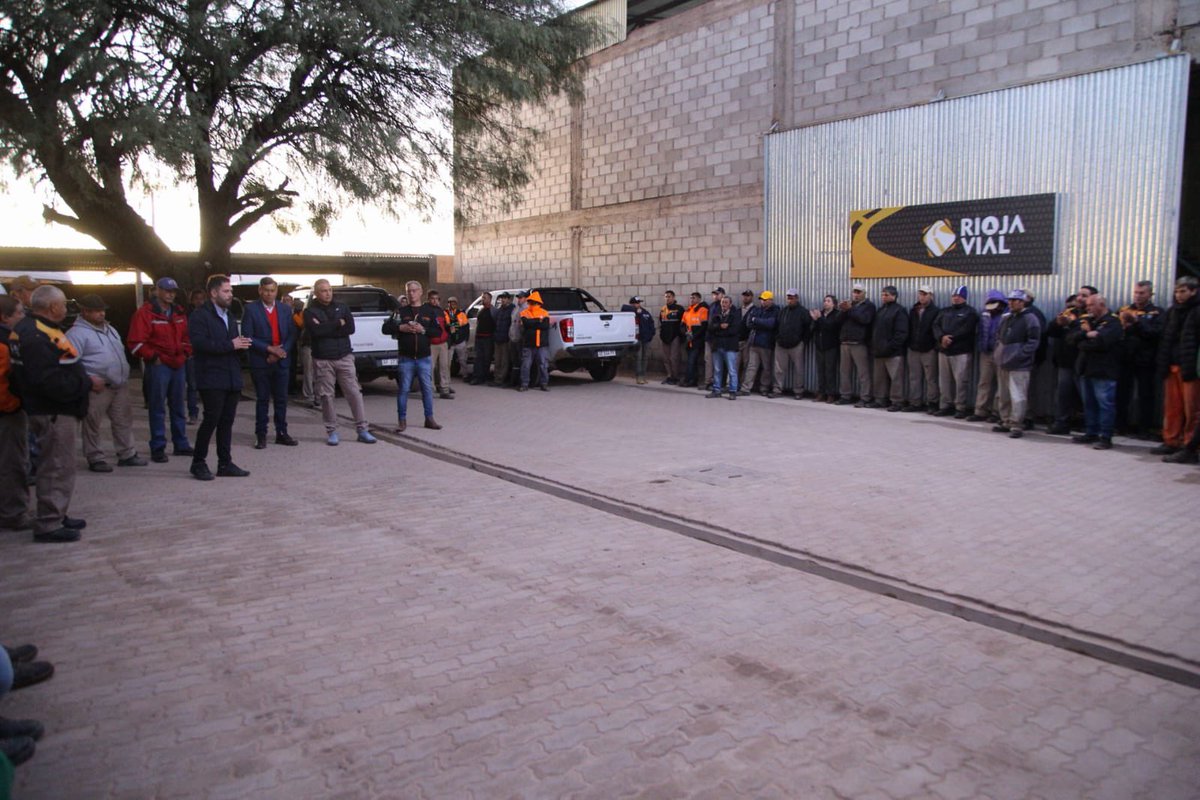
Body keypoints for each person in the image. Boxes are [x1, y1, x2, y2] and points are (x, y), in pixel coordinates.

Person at [8, 285, 96, 542]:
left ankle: (57, 512)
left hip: (51, 408)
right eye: (64, 304)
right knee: (56, 466)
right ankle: (49, 522)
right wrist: (84, 384)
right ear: (53, 307)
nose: (66, 309)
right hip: (53, 410)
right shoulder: (36, 334)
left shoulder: (31, 329)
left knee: (57, 464)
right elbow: (45, 379)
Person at [65, 295, 147, 472]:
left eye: (102, 310)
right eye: (96, 311)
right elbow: (70, 363)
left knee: (123, 420)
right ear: (85, 312)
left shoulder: (110, 329)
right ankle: (95, 457)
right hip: (96, 387)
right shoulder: (75, 334)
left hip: (118, 384)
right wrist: (88, 380)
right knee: (92, 423)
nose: (101, 313)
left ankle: (127, 453)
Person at [187, 275, 252, 480]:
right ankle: (198, 462)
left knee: (227, 422)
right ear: (214, 293)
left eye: (231, 291)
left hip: (231, 376)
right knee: (211, 420)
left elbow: (232, 343)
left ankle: (225, 463)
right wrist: (230, 345)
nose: (230, 295)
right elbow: (200, 344)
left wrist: (240, 346)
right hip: (211, 376)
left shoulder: (229, 315)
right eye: (226, 291)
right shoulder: (200, 316)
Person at [127, 277, 194, 463]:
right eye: (166, 290)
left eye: (173, 291)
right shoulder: (145, 313)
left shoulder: (179, 312)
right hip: (159, 366)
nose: (170, 294)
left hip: (178, 364)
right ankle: (158, 446)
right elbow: (135, 342)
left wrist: (185, 354)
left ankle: (181, 444)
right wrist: (153, 357)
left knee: (178, 406)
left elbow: (187, 338)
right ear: (157, 290)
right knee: (157, 407)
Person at [304, 279, 377, 446]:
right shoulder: (310, 311)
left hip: (344, 357)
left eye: (329, 290)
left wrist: (326, 327)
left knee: (354, 393)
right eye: (323, 291)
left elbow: (350, 328)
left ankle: (362, 430)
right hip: (323, 359)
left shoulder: (342, 307)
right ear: (316, 293)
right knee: (326, 396)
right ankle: (332, 431)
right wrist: (337, 323)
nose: (328, 293)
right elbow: (316, 332)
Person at [240, 277, 299, 449]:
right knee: (263, 399)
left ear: (276, 291)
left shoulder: (285, 309)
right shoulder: (250, 309)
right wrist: (269, 350)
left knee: (281, 399)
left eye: (272, 291)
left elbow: (292, 334)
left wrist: (281, 352)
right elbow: (247, 336)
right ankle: (261, 435)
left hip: (281, 360)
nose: (269, 294)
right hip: (261, 360)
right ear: (260, 291)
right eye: (266, 290)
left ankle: (282, 432)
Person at [382, 280, 442, 431]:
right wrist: (400, 327)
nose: (411, 293)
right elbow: (385, 328)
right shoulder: (400, 311)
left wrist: (423, 330)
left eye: (414, 290)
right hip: (406, 358)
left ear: (421, 292)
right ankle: (402, 420)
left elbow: (438, 331)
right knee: (403, 390)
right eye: (409, 291)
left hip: (424, 358)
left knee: (427, 390)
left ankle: (429, 418)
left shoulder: (429, 311)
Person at [1068, 294, 1124, 450]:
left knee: (1105, 404)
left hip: (1104, 370)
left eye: (1091, 305)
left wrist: (1083, 343)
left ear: (1101, 304)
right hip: (1086, 369)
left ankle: (1105, 436)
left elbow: (1102, 343)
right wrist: (1086, 335)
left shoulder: (1113, 322)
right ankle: (1091, 432)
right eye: (1087, 306)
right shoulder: (1088, 321)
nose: (1088, 308)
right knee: (1089, 404)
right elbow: (1071, 339)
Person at [1152, 276, 1200, 457]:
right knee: (1172, 408)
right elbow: (1165, 339)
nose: (1179, 295)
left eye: (1183, 291)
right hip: (1171, 365)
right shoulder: (1172, 311)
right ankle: (1171, 441)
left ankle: (1190, 446)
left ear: (1193, 291)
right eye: (1177, 291)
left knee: (1192, 410)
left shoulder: (1197, 311)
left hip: (1190, 368)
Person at [1116, 281, 1164, 437]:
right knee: (1122, 393)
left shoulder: (1157, 312)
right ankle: (1120, 426)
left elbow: (1155, 333)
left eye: (1142, 293)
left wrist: (1137, 322)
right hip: (1126, 358)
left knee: (1145, 394)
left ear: (1150, 294)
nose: (1138, 296)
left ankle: (1145, 428)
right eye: (1136, 292)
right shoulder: (1124, 310)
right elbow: (1114, 331)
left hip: (1146, 360)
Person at [0, 296, 31, 533]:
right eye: (19, 313)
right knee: (12, 464)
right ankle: (13, 513)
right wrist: (14, 405)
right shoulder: (6, 344)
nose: (23, 317)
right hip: (7, 413)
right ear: (5, 317)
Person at [992, 289, 1041, 439]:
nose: (1011, 303)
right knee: (1004, 395)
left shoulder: (1030, 318)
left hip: (1019, 365)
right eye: (1010, 300)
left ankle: (1016, 424)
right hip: (1003, 362)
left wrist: (1020, 356)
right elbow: (999, 336)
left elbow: (1033, 341)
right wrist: (998, 353)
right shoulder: (1007, 318)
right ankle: (1005, 420)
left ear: (1022, 302)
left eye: (1014, 300)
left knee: (1018, 395)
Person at [1045, 288, 1092, 435]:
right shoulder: (1069, 312)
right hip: (1065, 362)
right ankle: (1061, 423)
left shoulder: (1094, 315)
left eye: (1084, 296)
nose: (1080, 298)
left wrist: (1071, 324)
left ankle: (1091, 427)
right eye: (1079, 295)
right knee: (1063, 395)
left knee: (1087, 397)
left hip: (1085, 364)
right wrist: (1058, 323)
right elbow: (1050, 332)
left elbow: (1084, 335)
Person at [931, 286, 978, 418]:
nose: (956, 298)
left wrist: (951, 338)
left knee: (961, 381)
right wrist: (941, 337)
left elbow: (968, 329)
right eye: (954, 296)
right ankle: (945, 405)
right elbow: (935, 325)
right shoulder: (944, 311)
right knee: (944, 381)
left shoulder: (970, 312)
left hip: (960, 351)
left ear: (964, 297)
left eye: (959, 296)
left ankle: (960, 407)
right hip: (944, 351)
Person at [967, 290, 1008, 422]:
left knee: (1001, 384)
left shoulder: (1008, 315)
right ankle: (981, 410)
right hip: (986, 352)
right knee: (984, 382)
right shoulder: (985, 314)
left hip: (1002, 353)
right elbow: (980, 332)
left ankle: (997, 412)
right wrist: (981, 346)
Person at [869, 285, 909, 411]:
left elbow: (901, 333)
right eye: (882, 295)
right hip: (879, 351)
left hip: (894, 353)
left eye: (886, 295)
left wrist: (891, 347)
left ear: (894, 296)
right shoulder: (880, 310)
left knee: (896, 378)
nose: (883, 297)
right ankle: (880, 399)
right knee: (879, 378)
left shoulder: (899, 310)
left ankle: (897, 401)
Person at [836, 283, 875, 406]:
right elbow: (837, 321)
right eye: (854, 292)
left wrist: (850, 310)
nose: (856, 295)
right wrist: (843, 310)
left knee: (863, 372)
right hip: (845, 342)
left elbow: (865, 320)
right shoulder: (850, 305)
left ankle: (865, 397)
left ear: (864, 293)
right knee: (844, 372)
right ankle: (845, 395)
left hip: (859, 343)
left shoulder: (869, 306)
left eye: (859, 292)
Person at [905, 286, 940, 413]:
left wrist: (933, 346)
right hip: (913, 349)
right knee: (914, 377)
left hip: (928, 349)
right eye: (920, 294)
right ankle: (915, 402)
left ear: (931, 296)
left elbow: (936, 329)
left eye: (925, 294)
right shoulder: (913, 310)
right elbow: (909, 328)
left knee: (931, 378)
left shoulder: (935, 311)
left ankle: (933, 403)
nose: (922, 297)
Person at [739, 290, 780, 397]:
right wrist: (760, 322)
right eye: (762, 300)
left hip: (766, 343)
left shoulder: (775, 310)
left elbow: (771, 324)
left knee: (766, 368)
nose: (762, 302)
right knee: (751, 366)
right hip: (754, 342)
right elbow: (749, 323)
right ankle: (746, 388)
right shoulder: (757, 310)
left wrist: (756, 320)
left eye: (765, 300)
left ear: (770, 300)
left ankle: (764, 388)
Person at [774, 290, 811, 399]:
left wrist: (803, 341)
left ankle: (798, 391)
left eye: (792, 298)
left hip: (796, 345)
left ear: (797, 298)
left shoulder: (803, 312)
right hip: (781, 344)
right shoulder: (783, 311)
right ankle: (777, 389)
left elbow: (808, 328)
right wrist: (777, 338)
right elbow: (777, 325)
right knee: (779, 369)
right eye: (788, 297)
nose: (790, 300)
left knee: (798, 369)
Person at [707, 295, 741, 400]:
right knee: (717, 369)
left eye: (726, 302)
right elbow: (710, 327)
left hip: (729, 346)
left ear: (730, 304)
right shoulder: (716, 314)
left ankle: (733, 391)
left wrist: (719, 331)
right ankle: (716, 390)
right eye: (722, 302)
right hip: (717, 346)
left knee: (732, 370)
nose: (724, 304)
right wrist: (720, 326)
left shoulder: (735, 315)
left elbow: (734, 330)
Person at [809, 295, 841, 402]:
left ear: (834, 304)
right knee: (820, 371)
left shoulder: (836, 314)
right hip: (820, 346)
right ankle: (821, 392)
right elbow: (813, 329)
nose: (825, 303)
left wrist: (819, 319)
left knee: (830, 371)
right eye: (824, 301)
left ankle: (831, 394)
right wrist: (814, 320)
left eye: (828, 301)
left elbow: (830, 327)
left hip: (831, 347)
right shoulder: (821, 313)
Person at [519, 290, 551, 392]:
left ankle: (543, 384)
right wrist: (538, 321)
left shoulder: (544, 312)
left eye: (531, 302)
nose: (530, 303)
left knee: (543, 365)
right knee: (526, 365)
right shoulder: (524, 312)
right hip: (530, 344)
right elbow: (526, 324)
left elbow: (545, 326)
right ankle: (525, 384)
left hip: (540, 344)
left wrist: (532, 323)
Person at [621, 296, 656, 384]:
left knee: (645, 357)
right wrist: (634, 310)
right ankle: (639, 376)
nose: (638, 304)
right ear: (632, 304)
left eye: (639, 303)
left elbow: (651, 323)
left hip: (646, 338)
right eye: (636, 303)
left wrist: (651, 333)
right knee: (638, 358)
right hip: (638, 339)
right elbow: (623, 308)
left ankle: (643, 376)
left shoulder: (645, 312)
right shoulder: (630, 313)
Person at [184, 287, 206, 422]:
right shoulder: (187, 316)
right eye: (196, 299)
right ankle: (193, 412)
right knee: (192, 385)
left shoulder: (208, 314)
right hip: (192, 353)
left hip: (204, 354)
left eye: (201, 299)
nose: (199, 302)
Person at [426, 290, 453, 399]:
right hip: (431, 343)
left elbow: (444, 325)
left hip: (443, 343)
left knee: (444, 366)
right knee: (430, 368)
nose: (435, 301)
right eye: (432, 299)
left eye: (436, 299)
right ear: (428, 299)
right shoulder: (425, 311)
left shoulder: (440, 311)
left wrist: (448, 332)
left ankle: (444, 389)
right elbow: (425, 327)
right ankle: (430, 390)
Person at [680, 292, 709, 388]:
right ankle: (693, 380)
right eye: (691, 298)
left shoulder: (703, 310)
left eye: (694, 298)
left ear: (699, 299)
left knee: (691, 360)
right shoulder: (687, 310)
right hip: (689, 340)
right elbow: (682, 325)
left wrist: (694, 336)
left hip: (697, 340)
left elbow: (704, 326)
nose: (692, 299)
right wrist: (686, 333)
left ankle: (689, 380)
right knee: (691, 361)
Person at [293, 298, 318, 407]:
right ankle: (312, 396)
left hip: (311, 344)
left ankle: (312, 396)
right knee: (311, 371)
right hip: (310, 344)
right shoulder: (307, 314)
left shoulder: (305, 314)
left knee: (311, 371)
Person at [468, 292, 496, 385]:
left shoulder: (493, 311)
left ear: (490, 299)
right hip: (479, 338)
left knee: (487, 359)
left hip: (488, 339)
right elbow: (478, 323)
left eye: (484, 298)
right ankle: (477, 377)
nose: (483, 299)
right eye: (482, 298)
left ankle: (484, 377)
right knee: (478, 359)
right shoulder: (481, 310)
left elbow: (496, 324)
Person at [658, 290, 684, 385]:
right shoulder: (663, 309)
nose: (667, 298)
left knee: (674, 358)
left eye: (669, 296)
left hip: (675, 336)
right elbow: (661, 323)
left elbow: (683, 323)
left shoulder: (679, 309)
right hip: (665, 337)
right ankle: (669, 376)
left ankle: (676, 377)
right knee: (666, 358)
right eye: (666, 296)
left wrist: (681, 336)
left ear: (673, 297)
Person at [702, 287, 725, 390]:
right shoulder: (712, 306)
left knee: (718, 361)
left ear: (723, 295)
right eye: (714, 294)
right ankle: (708, 381)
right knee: (708, 360)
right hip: (709, 337)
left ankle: (718, 382)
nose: (715, 296)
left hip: (719, 337)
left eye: (717, 294)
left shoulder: (725, 306)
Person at [492, 292, 516, 386]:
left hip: (506, 339)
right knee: (497, 360)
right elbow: (496, 323)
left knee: (504, 361)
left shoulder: (512, 310)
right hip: (498, 338)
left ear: (509, 299)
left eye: (505, 298)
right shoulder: (500, 310)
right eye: (502, 298)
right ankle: (496, 378)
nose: (503, 300)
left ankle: (501, 379)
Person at [445, 297, 470, 387]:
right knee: (447, 361)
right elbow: (444, 326)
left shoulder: (461, 314)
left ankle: (465, 375)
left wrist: (465, 339)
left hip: (460, 341)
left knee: (463, 360)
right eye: (450, 303)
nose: (452, 305)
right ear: (448, 304)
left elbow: (466, 327)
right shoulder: (445, 313)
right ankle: (446, 378)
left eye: (454, 303)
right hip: (450, 342)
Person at [737, 290, 756, 386]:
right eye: (744, 296)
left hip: (747, 341)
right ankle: (731, 384)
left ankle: (743, 384)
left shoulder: (755, 310)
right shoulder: (738, 310)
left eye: (748, 296)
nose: (745, 298)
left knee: (746, 364)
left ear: (751, 297)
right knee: (734, 364)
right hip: (737, 340)